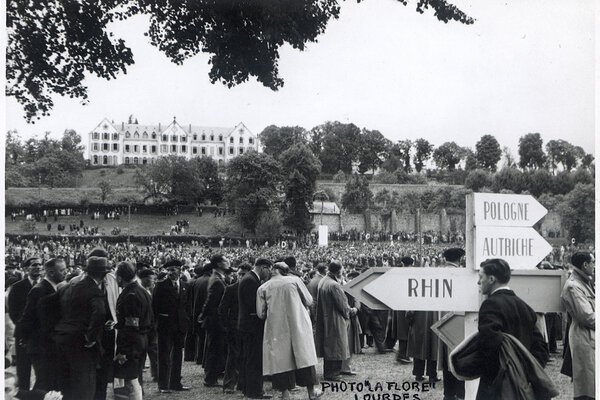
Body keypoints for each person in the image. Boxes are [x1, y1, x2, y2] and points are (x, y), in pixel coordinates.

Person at [474, 258, 549, 400]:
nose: (478, 282)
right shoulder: (524, 306)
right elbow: (541, 348)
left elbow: (488, 345)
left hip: (496, 387)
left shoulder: (490, 305)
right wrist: (525, 372)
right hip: (522, 388)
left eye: (480, 277)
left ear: (491, 279)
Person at [257, 262, 322, 400]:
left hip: (277, 328)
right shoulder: (295, 280)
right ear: (285, 272)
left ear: (273, 270)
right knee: (304, 358)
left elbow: (260, 314)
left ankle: (285, 394)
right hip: (299, 324)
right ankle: (311, 392)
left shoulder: (263, 287)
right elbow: (309, 301)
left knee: (281, 361)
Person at [52, 254, 109, 400]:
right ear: (103, 274)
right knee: (85, 386)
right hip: (80, 342)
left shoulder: (68, 287)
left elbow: (51, 307)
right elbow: (100, 313)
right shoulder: (95, 291)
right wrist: (91, 337)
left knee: (66, 385)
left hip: (61, 338)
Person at [18, 258, 67, 391]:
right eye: (62, 270)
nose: (66, 273)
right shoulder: (39, 290)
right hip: (41, 346)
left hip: (49, 346)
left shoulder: (54, 288)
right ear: (51, 273)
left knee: (48, 382)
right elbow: (27, 317)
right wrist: (25, 338)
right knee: (44, 383)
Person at [114, 262, 154, 400]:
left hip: (131, 342)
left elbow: (131, 325)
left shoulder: (130, 294)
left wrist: (123, 351)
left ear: (120, 278)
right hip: (141, 339)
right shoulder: (143, 291)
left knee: (129, 380)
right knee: (135, 377)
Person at [152, 259, 191, 393]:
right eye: (168, 270)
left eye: (173, 270)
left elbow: (186, 306)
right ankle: (163, 385)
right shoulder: (161, 285)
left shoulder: (185, 285)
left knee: (178, 355)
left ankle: (175, 383)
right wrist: (156, 324)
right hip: (165, 325)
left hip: (180, 325)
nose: (170, 273)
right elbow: (154, 307)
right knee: (164, 355)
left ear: (180, 270)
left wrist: (186, 320)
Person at [315, 261, 358, 381]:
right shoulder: (334, 285)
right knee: (337, 346)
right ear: (338, 271)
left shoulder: (323, 281)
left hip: (326, 317)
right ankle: (333, 373)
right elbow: (342, 305)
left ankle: (330, 372)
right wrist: (351, 311)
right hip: (335, 319)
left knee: (330, 346)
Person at [561, 252, 595, 400]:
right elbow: (587, 316)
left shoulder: (583, 282)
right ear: (585, 265)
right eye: (593, 262)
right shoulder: (574, 286)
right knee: (586, 389)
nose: (594, 266)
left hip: (589, 338)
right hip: (584, 339)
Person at [238, 258, 273, 399]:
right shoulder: (251, 281)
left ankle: (249, 389)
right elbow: (253, 305)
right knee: (254, 359)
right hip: (252, 326)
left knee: (250, 358)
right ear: (263, 267)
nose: (269, 273)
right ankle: (254, 391)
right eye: (269, 269)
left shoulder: (250, 279)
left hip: (248, 325)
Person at [9, 256, 42, 391]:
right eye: (34, 265)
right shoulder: (17, 287)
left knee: (42, 373)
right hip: (24, 336)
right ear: (26, 268)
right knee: (23, 373)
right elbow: (14, 313)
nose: (38, 267)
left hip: (41, 336)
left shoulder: (46, 286)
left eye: (40, 265)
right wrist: (26, 331)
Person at [218, 262, 251, 393]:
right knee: (233, 356)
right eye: (240, 274)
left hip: (247, 327)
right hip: (234, 327)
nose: (241, 277)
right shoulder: (231, 288)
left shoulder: (252, 288)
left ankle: (242, 383)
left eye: (244, 274)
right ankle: (228, 384)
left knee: (245, 355)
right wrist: (227, 326)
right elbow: (222, 309)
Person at [200, 254, 232, 387]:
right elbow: (211, 301)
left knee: (214, 349)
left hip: (214, 320)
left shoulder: (217, 278)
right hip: (216, 321)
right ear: (219, 264)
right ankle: (210, 378)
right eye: (225, 260)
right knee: (215, 349)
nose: (228, 262)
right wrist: (203, 315)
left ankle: (211, 377)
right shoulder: (217, 280)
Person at [439, 248, 465, 400]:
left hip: (442, 317)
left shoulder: (440, 272)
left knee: (446, 357)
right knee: (459, 355)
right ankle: (460, 393)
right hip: (456, 317)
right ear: (459, 259)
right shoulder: (460, 274)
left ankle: (448, 393)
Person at [138, 268, 158, 382]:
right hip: (144, 326)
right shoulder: (141, 291)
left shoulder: (150, 290)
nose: (153, 281)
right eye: (151, 279)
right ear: (144, 279)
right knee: (142, 352)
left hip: (151, 325)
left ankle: (156, 373)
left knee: (154, 350)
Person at [191, 262, 212, 366]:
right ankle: (203, 360)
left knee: (200, 336)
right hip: (205, 311)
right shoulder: (210, 281)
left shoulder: (197, 280)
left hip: (196, 310)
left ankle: (198, 358)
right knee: (205, 337)